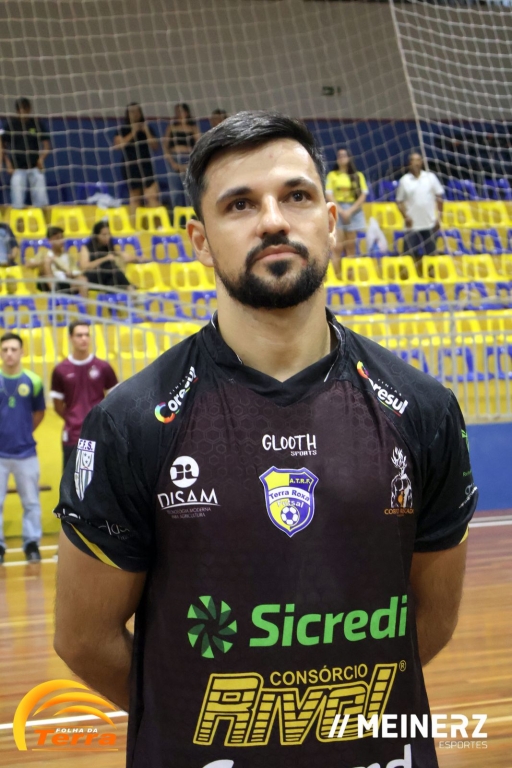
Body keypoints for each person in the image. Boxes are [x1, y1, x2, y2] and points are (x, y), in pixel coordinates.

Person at [54, 111, 477, 768]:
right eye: (240, 204)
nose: (274, 221)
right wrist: (201, 719)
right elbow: (84, 640)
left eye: (296, 196)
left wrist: (317, 722)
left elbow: (434, 619)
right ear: (199, 240)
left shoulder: (423, 408)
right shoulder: (132, 421)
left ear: (331, 222)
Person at [0, 332, 45, 564]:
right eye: (5, 349)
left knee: (31, 502)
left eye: (13, 349)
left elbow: (39, 413)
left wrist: (24, 432)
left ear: (22, 352)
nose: (9, 353)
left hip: (26, 453)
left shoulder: (33, 381)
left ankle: (31, 544)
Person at [50, 321, 118, 470]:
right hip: (73, 437)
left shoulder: (103, 367)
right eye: (79, 335)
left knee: (101, 480)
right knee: (73, 481)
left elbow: (116, 400)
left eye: (87, 335)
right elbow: (57, 405)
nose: (84, 339)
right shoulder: (60, 370)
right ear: (70, 338)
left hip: (99, 435)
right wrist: (73, 418)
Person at [1, 98, 51, 212]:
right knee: (17, 203)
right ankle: (18, 222)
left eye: (25, 109)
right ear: (17, 111)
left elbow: (47, 146)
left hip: (35, 166)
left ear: (29, 109)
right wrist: (8, 164)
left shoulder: (37, 124)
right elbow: (2, 147)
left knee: (42, 202)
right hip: (17, 168)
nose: (22, 112)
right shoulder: (10, 125)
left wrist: (41, 159)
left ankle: (44, 221)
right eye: (20, 110)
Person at [325, 147, 368, 277]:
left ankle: (350, 277)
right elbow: (329, 194)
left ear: (349, 158)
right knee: (337, 246)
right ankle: (337, 277)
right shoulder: (332, 175)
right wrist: (341, 210)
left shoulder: (358, 175)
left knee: (351, 247)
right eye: (339, 156)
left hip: (354, 210)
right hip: (337, 210)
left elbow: (363, 195)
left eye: (344, 155)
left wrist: (349, 211)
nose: (342, 158)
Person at [396, 152, 444, 266]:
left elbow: (439, 198)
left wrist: (439, 217)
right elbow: (399, 202)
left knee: (431, 256)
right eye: (413, 160)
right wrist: (405, 217)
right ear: (409, 163)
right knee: (408, 257)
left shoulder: (430, 177)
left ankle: (431, 275)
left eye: (418, 160)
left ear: (422, 162)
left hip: (430, 223)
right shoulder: (404, 180)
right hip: (412, 225)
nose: (416, 163)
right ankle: (410, 275)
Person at [113, 103, 160, 220]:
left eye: (137, 111)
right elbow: (118, 145)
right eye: (132, 112)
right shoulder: (123, 129)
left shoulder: (147, 128)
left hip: (146, 166)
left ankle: (159, 226)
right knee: (135, 198)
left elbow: (155, 146)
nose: (135, 114)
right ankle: (135, 226)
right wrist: (133, 131)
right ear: (127, 114)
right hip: (130, 167)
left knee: (152, 196)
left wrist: (146, 131)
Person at [79, 221, 135, 292]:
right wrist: (105, 259)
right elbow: (84, 267)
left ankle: (120, 293)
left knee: (114, 278)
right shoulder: (86, 248)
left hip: (107, 279)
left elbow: (128, 258)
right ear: (96, 235)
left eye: (108, 234)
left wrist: (122, 254)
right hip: (92, 277)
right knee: (111, 267)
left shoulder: (109, 247)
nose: (107, 237)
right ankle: (131, 289)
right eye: (104, 235)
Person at [164, 103, 201, 207]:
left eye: (181, 111)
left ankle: (190, 214)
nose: (179, 114)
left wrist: (189, 163)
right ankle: (176, 213)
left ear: (187, 112)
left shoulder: (193, 128)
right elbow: (165, 146)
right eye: (177, 112)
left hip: (188, 159)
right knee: (175, 190)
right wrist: (172, 163)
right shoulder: (171, 127)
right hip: (174, 158)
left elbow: (198, 147)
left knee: (189, 190)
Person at [34, 226, 87, 296]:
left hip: (65, 282)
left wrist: (71, 273)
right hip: (48, 283)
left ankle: (84, 302)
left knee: (82, 279)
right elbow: (28, 264)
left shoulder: (68, 256)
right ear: (50, 240)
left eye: (62, 238)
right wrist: (43, 261)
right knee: (47, 261)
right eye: (57, 238)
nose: (61, 241)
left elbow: (75, 270)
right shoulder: (44, 253)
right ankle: (54, 292)